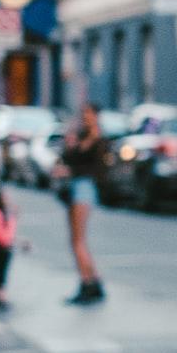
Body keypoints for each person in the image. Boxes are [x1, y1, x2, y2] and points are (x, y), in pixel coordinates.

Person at [56, 103, 106, 305]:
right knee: (76, 239)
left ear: (96, 115)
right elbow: (67, 158)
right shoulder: (80, 135)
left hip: (84, 188)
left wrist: (70, 171)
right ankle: (93, 280)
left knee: (78, 240)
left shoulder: (98, 139)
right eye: (83, 113)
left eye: (88, 113)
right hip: (75, 187)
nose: (85, 117)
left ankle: (87, 282)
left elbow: (97, 170)